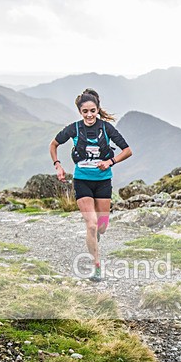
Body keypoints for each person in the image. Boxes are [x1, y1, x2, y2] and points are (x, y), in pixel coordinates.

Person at [49, 89, 132, 281]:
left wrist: (110, 162)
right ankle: (96, 266)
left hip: (103, 182)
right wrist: (58, 165)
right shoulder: (74, 129)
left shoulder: (106, 129)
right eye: (85, 111)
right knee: (92, 225)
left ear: (97, 110)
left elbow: (127, 150)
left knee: (102, 226)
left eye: (92, 111)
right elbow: (53, 144)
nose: (89, 115)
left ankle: (96, 236)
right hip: (82, 181)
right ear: (80, 111)